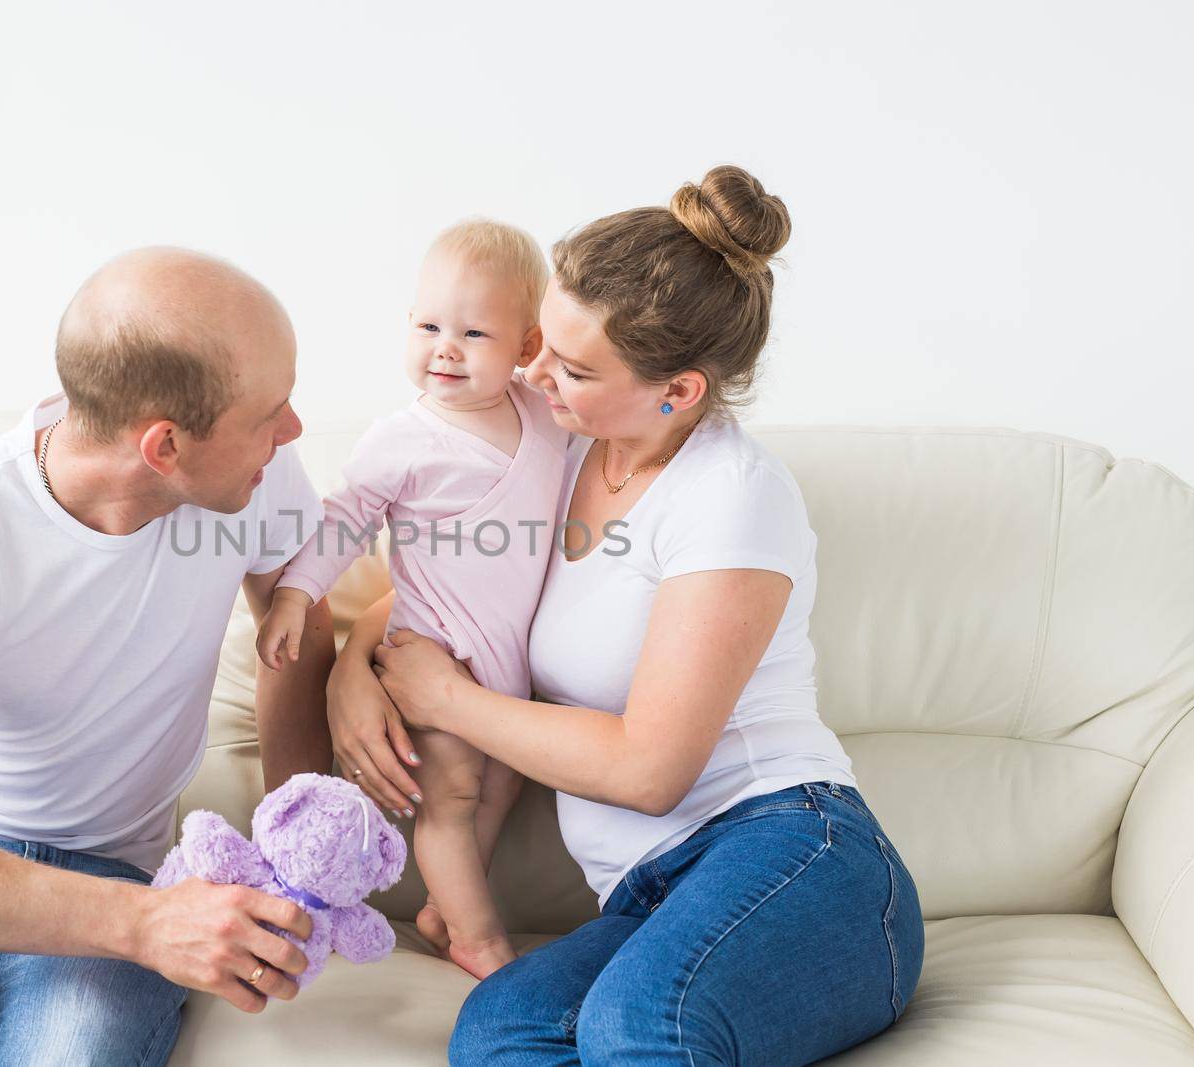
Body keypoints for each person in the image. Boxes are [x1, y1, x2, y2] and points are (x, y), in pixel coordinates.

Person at [329, 166, 926, 1065]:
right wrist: (351, 665)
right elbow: (451, 577)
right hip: (648, 896)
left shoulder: (731, 496)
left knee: (639, 1028)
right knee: (500, 1030)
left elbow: (651, 770)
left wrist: (445, 701)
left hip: (795, 849)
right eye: (541, 346)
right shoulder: (558, 449)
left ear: (676, 391)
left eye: (571, 366)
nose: (532, 375)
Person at [0, 247, 336, 1065]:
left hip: (110, 859)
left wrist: (298, 832)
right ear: (164, 446)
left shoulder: (261, 478)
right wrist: (150, 923)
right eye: (271, 412)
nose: (292, 429)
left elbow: (300, 623)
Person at [256, 219, 568, 979]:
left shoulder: (542, 415)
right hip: (434, 654)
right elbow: (343, 521)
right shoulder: (402, 438)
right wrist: (297, 593)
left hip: (511, 665)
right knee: (453, 794)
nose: (444, 348)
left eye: (473, 332)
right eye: (428, 325)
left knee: (501, 785)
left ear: (527, 348)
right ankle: (479, 937)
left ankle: (442, 905)